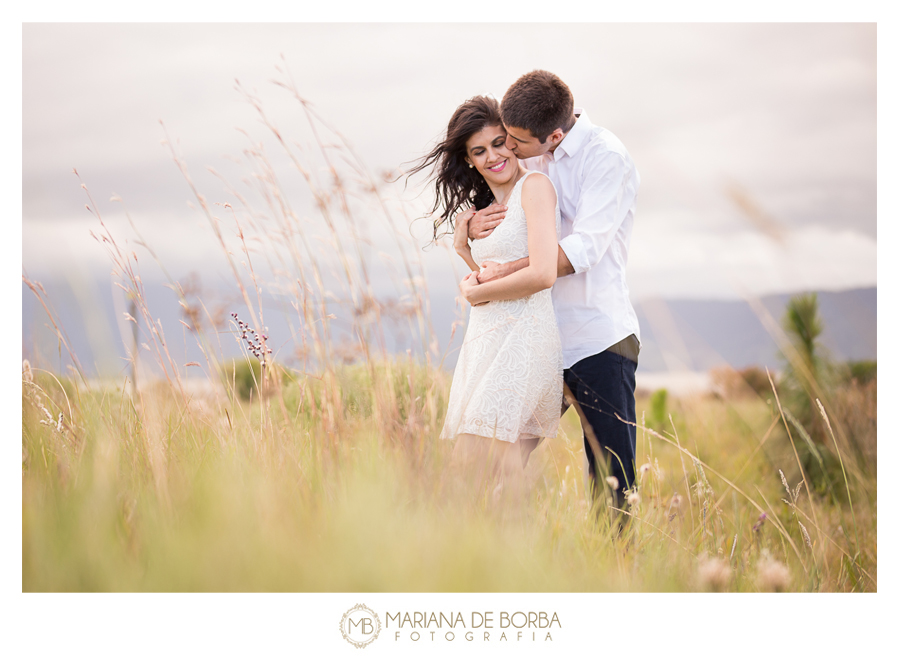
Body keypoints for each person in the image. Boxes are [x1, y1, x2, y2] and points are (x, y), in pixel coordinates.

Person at [467, 70, 641, 512]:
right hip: (538, 337)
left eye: (516, 142)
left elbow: (586, 247)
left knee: (611, 482)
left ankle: (615, 570)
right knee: (496, 459)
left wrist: (510, 269)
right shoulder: (532, 151)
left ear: (555, 135)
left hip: (597, 339)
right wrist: (465, 226)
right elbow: (501, 203)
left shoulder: (607, 158)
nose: (508, 148)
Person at [406, 95, 563, 500]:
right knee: (497, 479)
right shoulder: (487, 210)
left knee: (468, 466)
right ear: (469, 160)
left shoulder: (535, 186)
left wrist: (474, 292)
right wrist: (462, 249)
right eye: (479, 151)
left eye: (499, 142)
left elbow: (542, 273)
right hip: (486, 341)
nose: (494, 155)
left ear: (512, 140)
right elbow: (485, 278)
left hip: (524, 338)